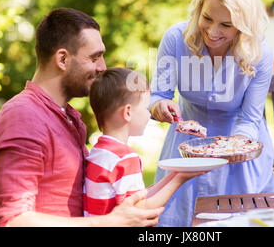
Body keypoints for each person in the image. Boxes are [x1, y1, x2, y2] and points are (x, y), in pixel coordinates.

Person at [0, 7, 164, 227]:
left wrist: (181, 175)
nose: (103, 67)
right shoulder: (24, 118)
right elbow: (13, 221)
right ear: (62, 59)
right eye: (95, 57)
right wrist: (109, 222)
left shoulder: (63, 116)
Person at [150, 0, 274, 226]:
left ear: (243, 25)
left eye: (226, 25)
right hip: (186, 148)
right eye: (207, 18)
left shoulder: (259, 53)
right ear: (199, 9)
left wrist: (226, 150)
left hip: (241, 148)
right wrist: (160, 106)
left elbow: (250, 117)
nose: (213, 32)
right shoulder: (176, 39)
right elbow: (158, 95)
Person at [84, 67, 204, 216]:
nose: (149, 114)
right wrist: (179, 179)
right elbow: (140, 209)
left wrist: (176, 173)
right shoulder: (126, 159)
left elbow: (138, 196)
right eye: (146, 107)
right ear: (128, 112)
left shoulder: (98, 152)